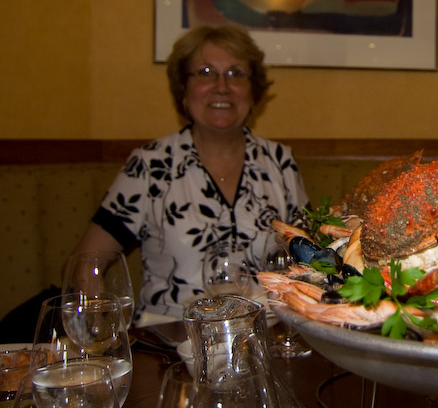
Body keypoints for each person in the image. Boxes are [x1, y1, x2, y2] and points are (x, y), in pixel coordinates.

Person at [70, 25, 309, 323]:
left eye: (236, 73)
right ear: (183, 90)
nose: (222, 86)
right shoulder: (150, 165)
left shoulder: (279, 161)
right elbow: (86, 264)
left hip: (264, 336)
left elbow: (309, 257)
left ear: (253, 92)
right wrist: (101, 338)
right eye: (206, 72)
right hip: (169, 338)